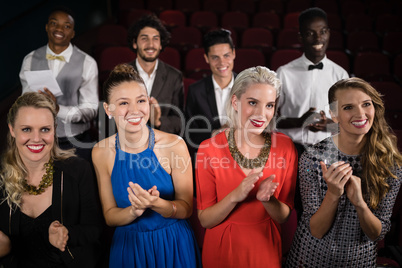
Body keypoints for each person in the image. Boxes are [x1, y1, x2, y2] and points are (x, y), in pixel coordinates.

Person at [285, 78, 402, 267]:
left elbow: (377, 234)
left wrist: (360, 204)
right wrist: (333, 194)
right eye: (348, 107)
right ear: (334, 114)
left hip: (360, 262)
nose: (360, 114)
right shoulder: (313, 158)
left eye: (366, 104)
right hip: (309, 260)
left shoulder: (390, 164)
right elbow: (315, 230)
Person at [92, 63, 201, 267]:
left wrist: (157, 204)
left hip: (173, 244)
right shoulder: (100, 152)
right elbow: (110, 216)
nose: (135, 110)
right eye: (123, 103)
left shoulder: (174, 145)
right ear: (108, 109)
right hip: (129, 248)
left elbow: (186, 209)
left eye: (140, 100)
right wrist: (134, 211)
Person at [196, 66, 298, 267]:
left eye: (269, 105)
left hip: (264, 248)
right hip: (221, 250)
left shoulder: (285, 147)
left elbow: (284, 215)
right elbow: (205, 220)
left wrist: (267, 200)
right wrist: (236, 194)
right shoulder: (209, 149)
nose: (262, 114)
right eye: (253, 103)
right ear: (235, 101)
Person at [0, 92, 103, 267]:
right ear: (12, 129)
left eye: (45, 129)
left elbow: (95, 230)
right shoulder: (2, 178)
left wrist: (67, 233)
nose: (36, 138)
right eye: (26, 129)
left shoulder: (78, 170)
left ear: (54, 129)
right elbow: (5, 246)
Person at [19, 7, 99, 161]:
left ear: (73, 33)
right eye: (54, 23)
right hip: (39, 141)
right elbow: (24, 103)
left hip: (75, 140)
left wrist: (58, 109)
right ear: (47, 27)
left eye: (66, 26)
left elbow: (91, 110)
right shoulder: (30, 59)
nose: (59, 29)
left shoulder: (87, 63)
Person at [276, 7, 349, 155]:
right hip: (290, 149)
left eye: (322, 32)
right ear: (300, 37)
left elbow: (348, 124)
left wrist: (327, 125)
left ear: (328, 33)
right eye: (310, 33)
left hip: (330, 150)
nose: (318, 39)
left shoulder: (341, 75)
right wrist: (298, 122)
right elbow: (270, 120)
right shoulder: (283, 73)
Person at [127, 14, 184, 135]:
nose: (151, 44)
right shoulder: (121, 74)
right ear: (134, 43)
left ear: (161, 44)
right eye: (144, 38)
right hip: (127, 143)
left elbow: (179, 120)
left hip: (161, 145)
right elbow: (110, 116)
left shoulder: (174, 77)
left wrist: (158, 121)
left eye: (155, 39)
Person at [185, 28, 236, 150]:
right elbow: (189, 133)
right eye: (215, 57)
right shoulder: (195, 91)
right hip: (209, 156)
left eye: (226, 56)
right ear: (206, 58)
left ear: (234, 54)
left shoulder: (249, 87)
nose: (222, 62)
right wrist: (214, 134)